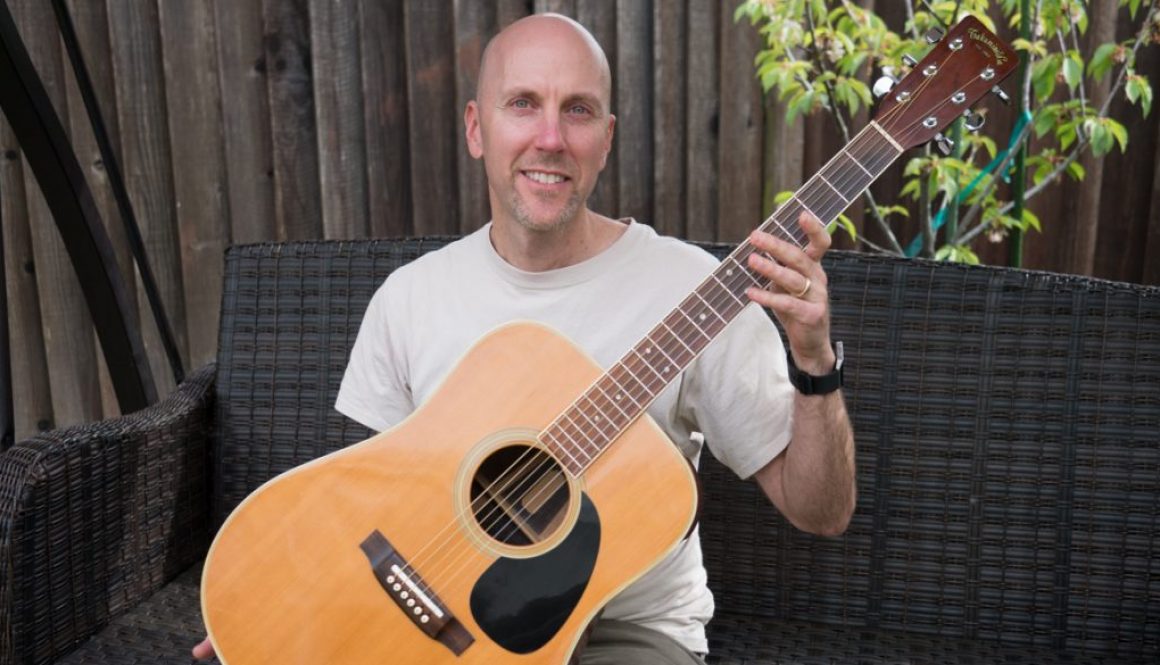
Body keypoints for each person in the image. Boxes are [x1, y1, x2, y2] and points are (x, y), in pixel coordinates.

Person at [194, 12, 855, 664]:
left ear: (606, 137)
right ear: (477, 128)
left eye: (578, 110)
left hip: (631, 633)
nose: (550, 137)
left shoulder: (696, 292)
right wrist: (274, 608)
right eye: (522, 103)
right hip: (453, 634)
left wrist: (813, 358)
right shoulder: (410, 298)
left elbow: (821, 511)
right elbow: (367, 511)